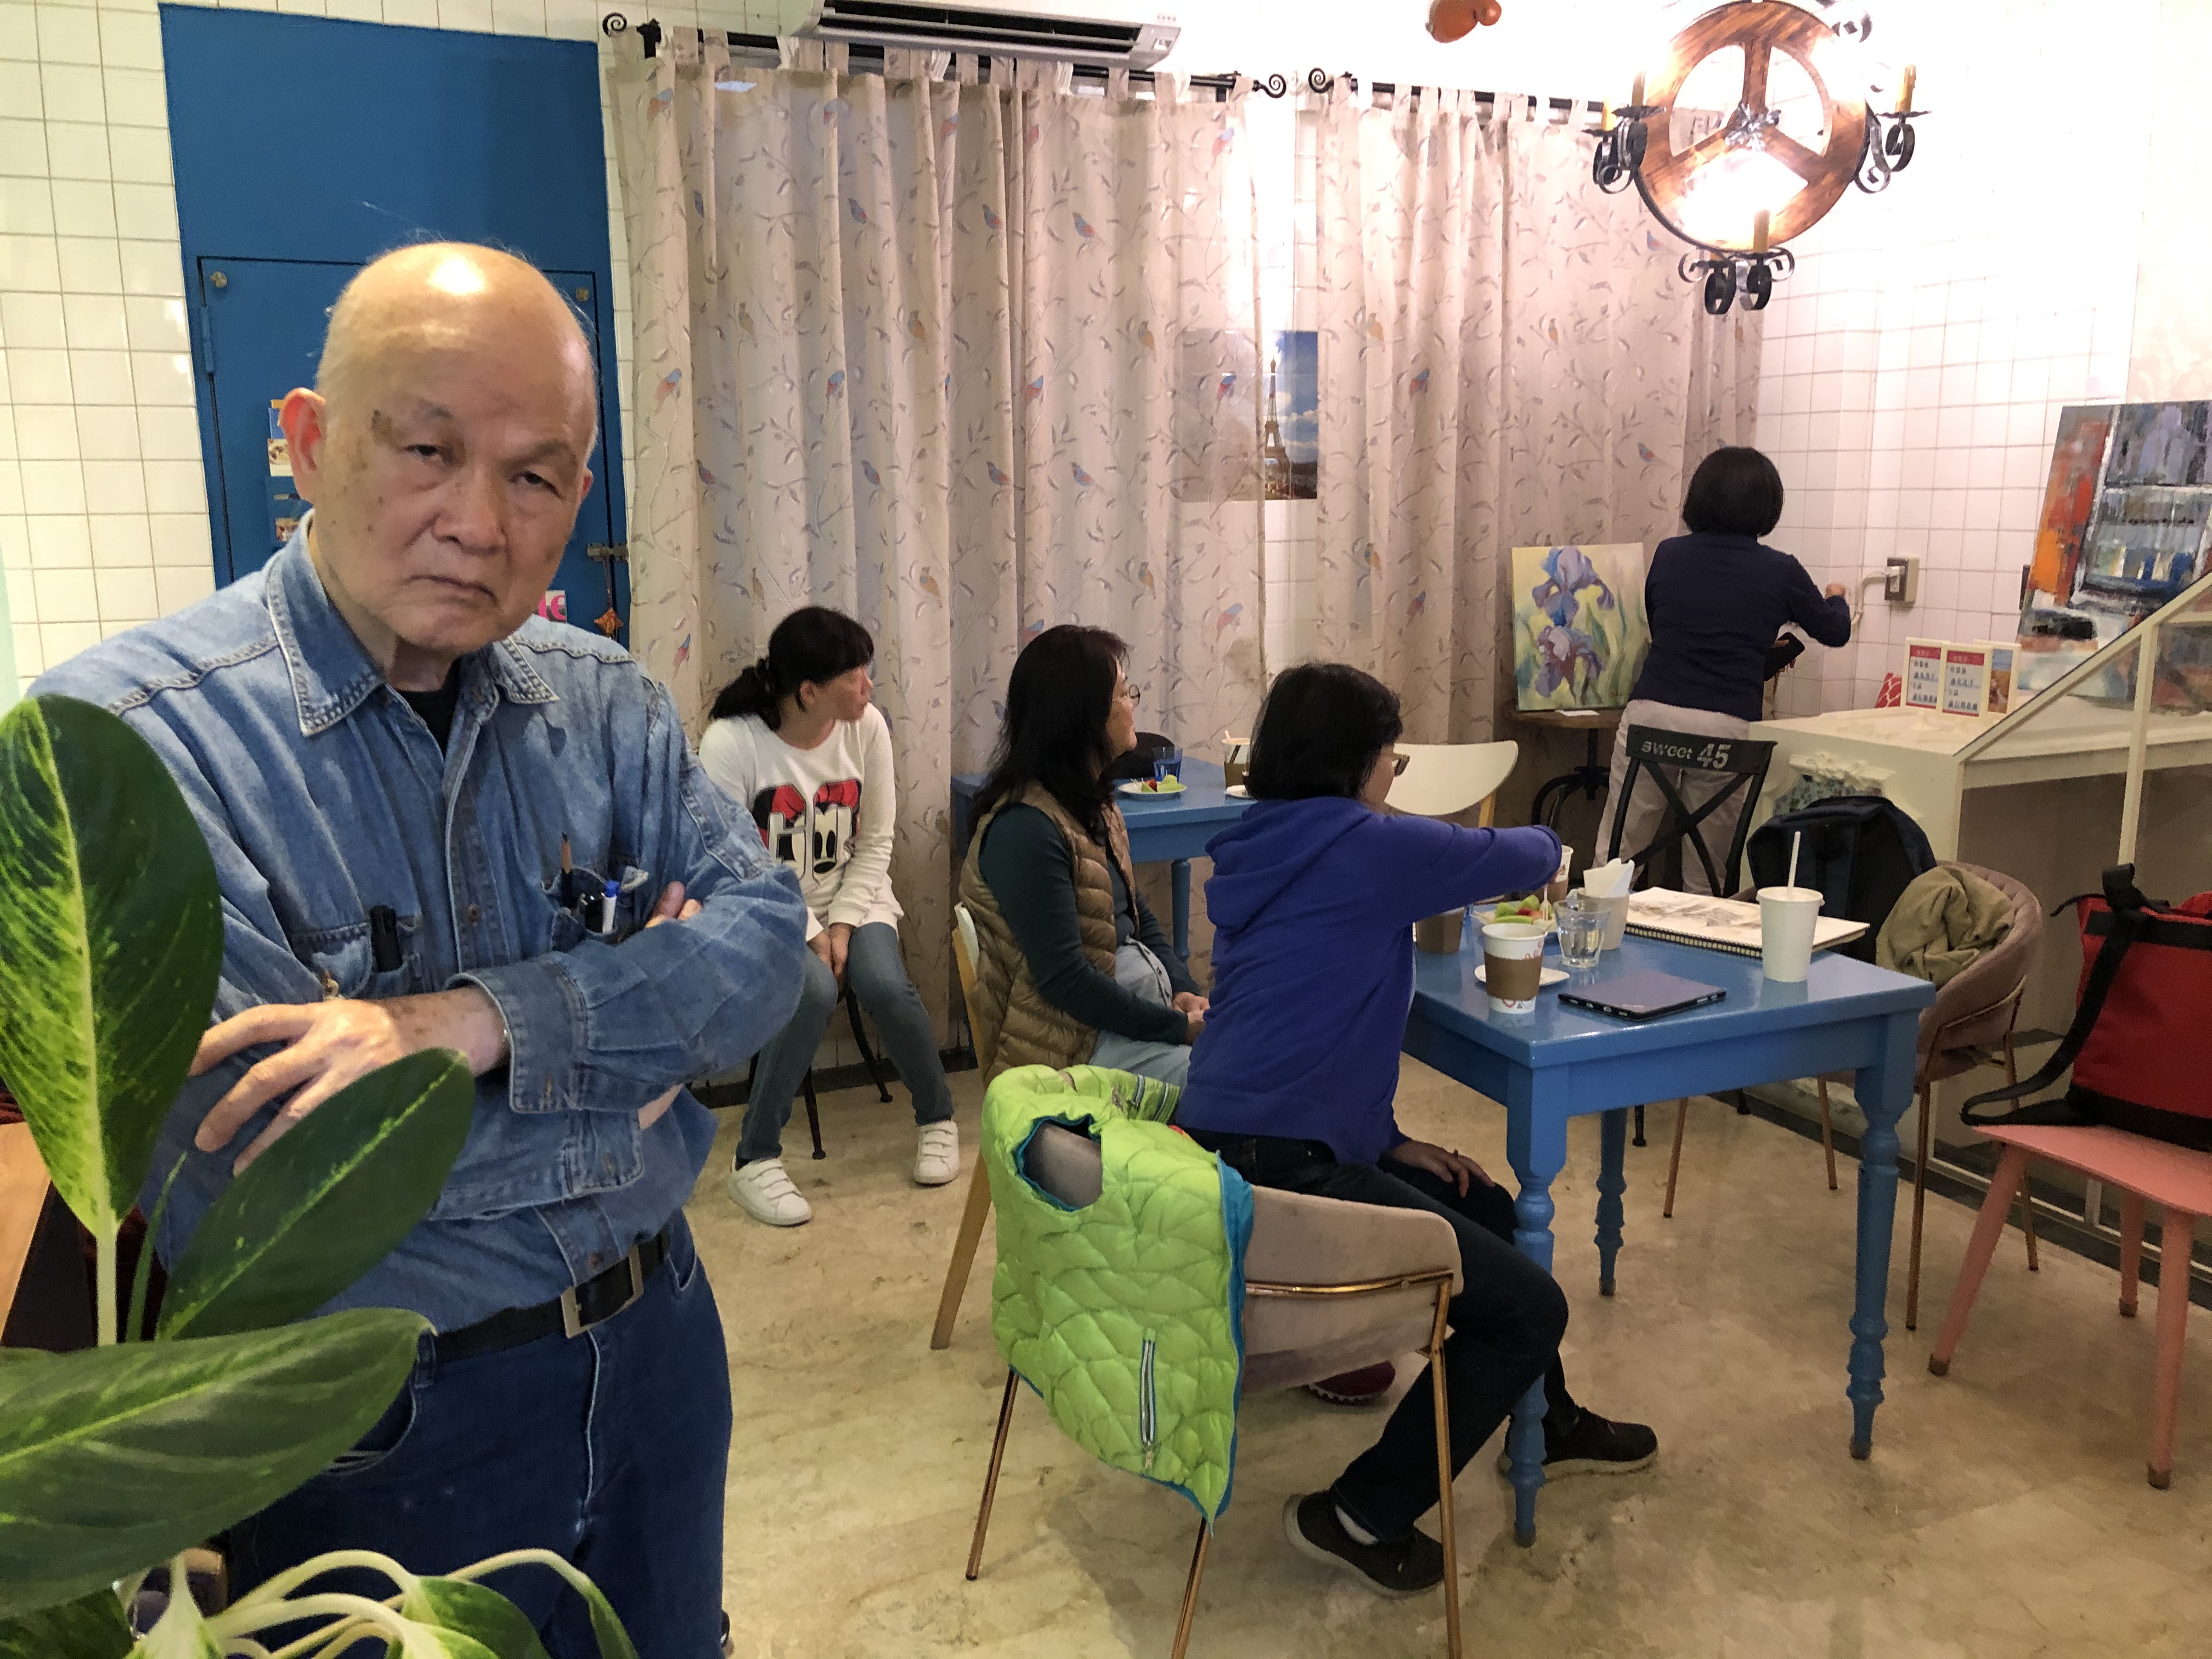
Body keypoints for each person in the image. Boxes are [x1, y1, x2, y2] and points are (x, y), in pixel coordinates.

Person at [33, 243, 810, 1658]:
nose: (478, 522)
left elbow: (765, 948)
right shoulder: (134, 743)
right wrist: (635, 1067)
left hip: (659, 1343)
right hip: (383, 1418)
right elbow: (270, 1177)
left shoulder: (607, 704)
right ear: (309, 444)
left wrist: (479, 1026)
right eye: (428, 449)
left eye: (535, 476)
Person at [1175, 662, 1657, 1598]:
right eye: (1391, 759)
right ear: (1359, 760)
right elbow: (1524, 854)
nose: (1392, 775)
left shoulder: (1260, 841)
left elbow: (1301, 1029)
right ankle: (1362, 1511)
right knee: (1529, 1309)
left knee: (1484, 1202)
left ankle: (1547, 1419)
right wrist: (1548, 837)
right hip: (1288, 1175)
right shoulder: (1364, 843)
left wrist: (1385, 1138)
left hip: (1235, 1143)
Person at [698, 606, 959, 1226]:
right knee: (813, 989)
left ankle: (938, 1119)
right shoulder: (731, 742)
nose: (869, 686)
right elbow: (734, 862)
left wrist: (841, 924)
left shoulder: (867, 727)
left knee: (885, 985)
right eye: (855, 675)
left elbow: (876, 841)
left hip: (854, 895)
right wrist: (813, 933)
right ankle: (754, 1158)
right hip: (764, 907)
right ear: (809, 691)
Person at [958, 625, 1205, 1086]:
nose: (1133, 704)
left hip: (1128, 1024)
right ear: (1083, 717)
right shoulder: (1026, 828)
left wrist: (1185, 990)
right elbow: (1065, 980)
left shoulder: (1093, 801)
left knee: (1262, 1063)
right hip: (1074, 1047)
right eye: (1123, 693)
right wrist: (1177, 1029)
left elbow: (1135, 913)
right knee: (1234, 1085)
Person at [1599, 445, 1852, 893]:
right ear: (1768, 507)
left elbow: (1664, 624)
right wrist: (1837, 597)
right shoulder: (1780, 570)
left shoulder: (1669, 554)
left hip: (1653, 716)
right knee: (1709, 869)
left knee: (1618, 857)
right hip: (1727, 727)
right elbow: (1834, 631)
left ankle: (1599, 923)